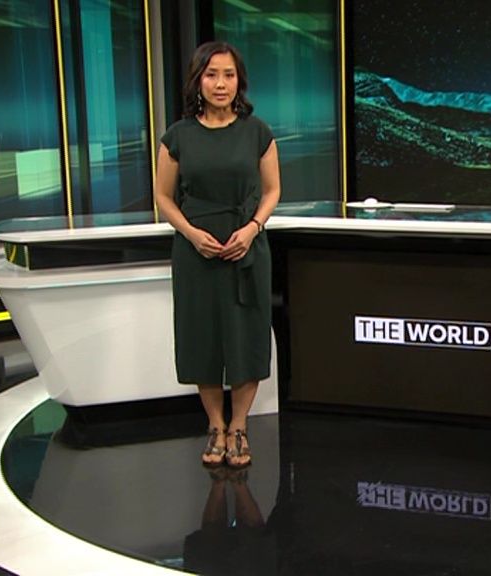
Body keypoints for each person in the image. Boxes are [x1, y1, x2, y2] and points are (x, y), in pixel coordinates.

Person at [154, 40, 281, 468]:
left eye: (228, 75)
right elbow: (163, 197)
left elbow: (272, 190)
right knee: (202, 340)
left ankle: (239, 426)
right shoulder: (177, 136)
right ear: (198, 80)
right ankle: (215, 426)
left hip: (246, 246)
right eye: (211, 75)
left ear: (239, 81)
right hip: (196, 252)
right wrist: (192, 234)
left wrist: (252, 228)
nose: (220, 84)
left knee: (247, 339)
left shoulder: (257, 131)